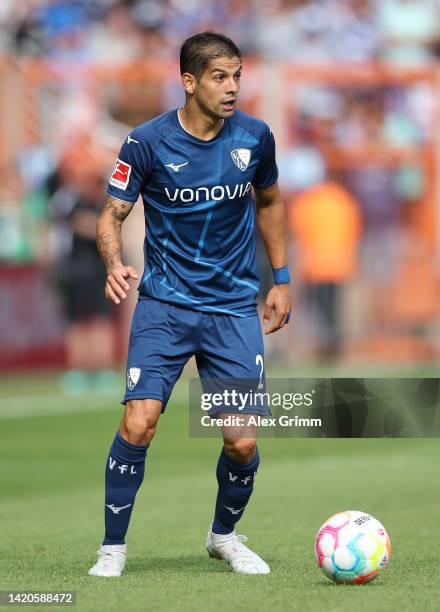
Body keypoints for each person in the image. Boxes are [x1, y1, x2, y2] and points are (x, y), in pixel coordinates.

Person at [89, 31, 291, 578]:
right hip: (165, 307)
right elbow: (110, 214)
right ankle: (113, 548)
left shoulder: (255, 137)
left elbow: (269, 199)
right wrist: (113, 263)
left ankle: (224, 536)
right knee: (140, 422)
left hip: (230, 309)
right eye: (220, 77)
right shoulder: (146, 142)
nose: (232, 89)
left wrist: (281, 278)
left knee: (241, 440)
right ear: (189, 81)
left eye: (237, 77)